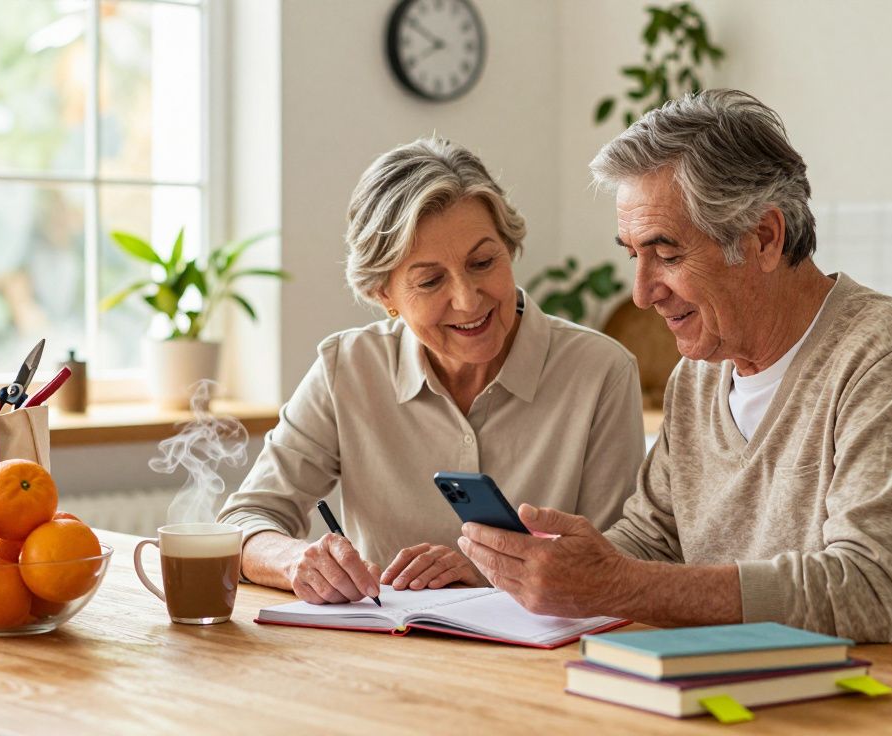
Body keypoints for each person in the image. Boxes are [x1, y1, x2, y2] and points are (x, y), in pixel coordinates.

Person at [459, 90, 892, 661]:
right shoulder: (699, 378)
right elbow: (652, 542)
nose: (641, 292)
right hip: (786, 697)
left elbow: (867, 591)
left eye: (667, 253)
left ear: (763, 238)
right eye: (633, 254)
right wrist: (549, 564)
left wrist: (612, 583)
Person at [218, 137, 644, 605]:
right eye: (430, 280)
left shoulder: (601, 371)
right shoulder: (348, 369)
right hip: (385, 658)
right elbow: (245, 520)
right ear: (384, 296)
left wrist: (495, 571)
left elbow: (618, 560)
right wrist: (298, 562)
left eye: (483, 262)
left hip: (541, 662)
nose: (467, 299)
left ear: (510, 248)